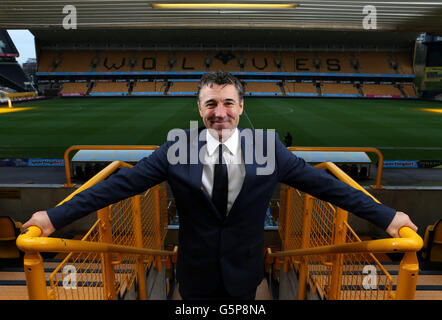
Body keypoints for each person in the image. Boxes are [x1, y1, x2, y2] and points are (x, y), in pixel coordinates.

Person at [23, 70, 417, 300]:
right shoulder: (177, 148)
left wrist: (388, 216)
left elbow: (326, 187)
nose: (220, 113)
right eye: (211, 104)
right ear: (199, 109)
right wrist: (55, 216)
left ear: (241, 107)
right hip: (194, 275)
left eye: (228, 103)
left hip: (246, 273)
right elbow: (119, 185)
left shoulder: (270, 148)